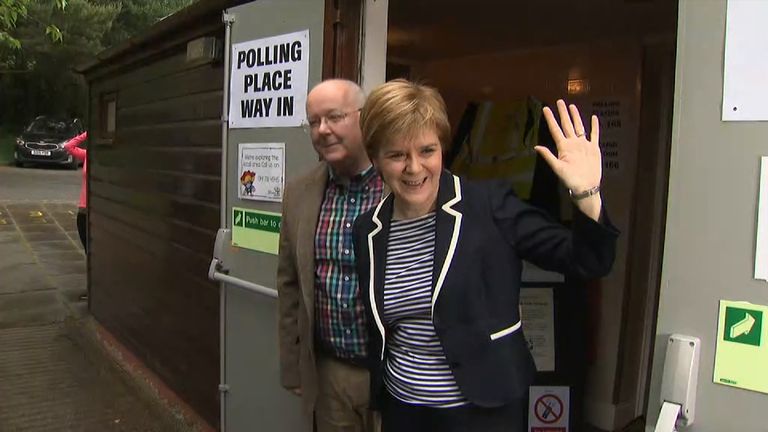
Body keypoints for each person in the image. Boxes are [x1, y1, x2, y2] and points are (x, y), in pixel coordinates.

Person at [352, 79, 619, 432]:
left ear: (442, 149)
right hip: (404, 409)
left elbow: (589, 260)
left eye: (427, 151)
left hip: (483, 411)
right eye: (397, 155)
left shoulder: (489, 206)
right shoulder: (367, 230)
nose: (414, 168)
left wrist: (587, 194)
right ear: (375, 159)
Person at [277, 79, 385, 432]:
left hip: (395, 374)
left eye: (335, 117)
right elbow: (289, 284)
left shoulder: (403, 185)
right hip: (329, 375)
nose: (323, 130)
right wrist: (292, 366)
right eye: (313, 121)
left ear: (364, 118)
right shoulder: (299, 193)